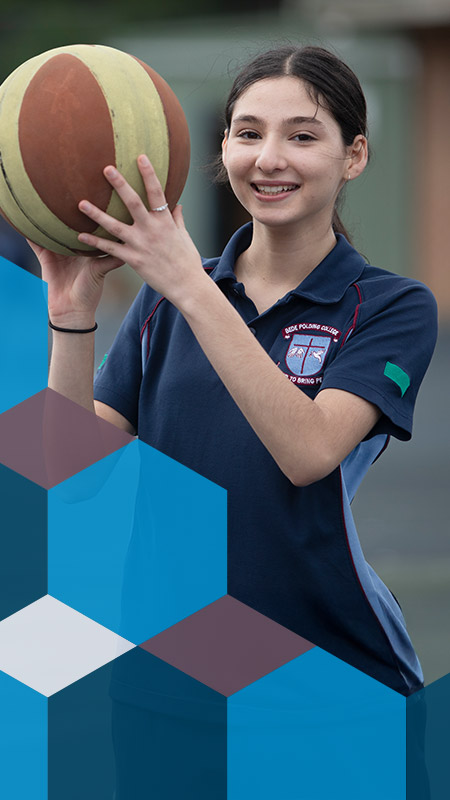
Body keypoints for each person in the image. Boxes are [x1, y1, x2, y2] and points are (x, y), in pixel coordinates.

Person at [31, 45, 437, 697]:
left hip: (327, 674)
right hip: (165, 674)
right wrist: (71, 316)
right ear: (223, 149)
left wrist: (191, 286)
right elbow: (72, 480)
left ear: (353, 155)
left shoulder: (392, 306)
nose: (269, 158)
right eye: (248, 133)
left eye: (302, 136)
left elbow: (309, 451)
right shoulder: (165, 300)